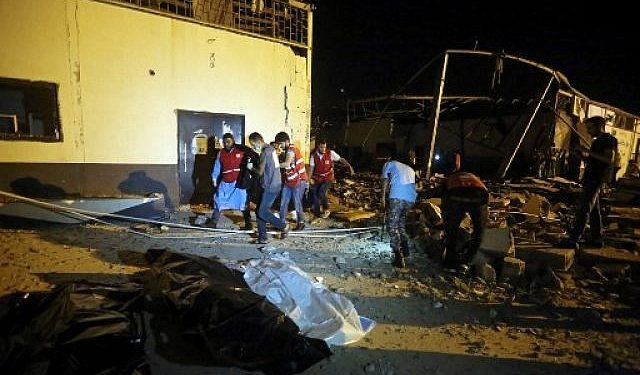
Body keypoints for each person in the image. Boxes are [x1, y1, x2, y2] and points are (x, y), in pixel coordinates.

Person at [559, 115, 618, 250]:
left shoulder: (609, 140)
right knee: (594, 211)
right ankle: (597, 239)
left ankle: (573, 239)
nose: (589, 131)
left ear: (600, 126)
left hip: (596, 178)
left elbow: (609, 159)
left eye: (590, 128)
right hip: (590, 177)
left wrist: (586, 151)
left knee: (584, 209)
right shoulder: (596, 142)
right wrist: (580, 155)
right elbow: (593, 161)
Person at [439, 151, 489, 271]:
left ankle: (449, 262)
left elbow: (444, 198)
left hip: (455, 196)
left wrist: (447, 220)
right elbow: (486, 198)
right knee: (479, 232)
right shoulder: (474, 178)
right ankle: (466, 262)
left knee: (451, 231)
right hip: (480, 196)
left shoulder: (450, 178)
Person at [248, 132, 290, 243]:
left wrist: (251, 168)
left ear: (258, 141)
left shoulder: (265, 152)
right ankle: (263, 238)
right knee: (259, 211)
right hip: (274, 184)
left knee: (262, 212)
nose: (252, 147)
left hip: (270, 186)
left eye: (253, 144)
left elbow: (260, 172)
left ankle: (283, 226)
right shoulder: (271, 149)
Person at [381, 151, 417, 268]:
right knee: (401, 224)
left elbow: (385, 180)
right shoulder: (410, 168)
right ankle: (406, 251)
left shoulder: (389, 164)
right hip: (410, 199)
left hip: (397, 196)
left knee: (392, 226)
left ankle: (398, 256)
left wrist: (382, 197)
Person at [208, 133, 251, 229]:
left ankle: (248, 223)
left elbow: (250, 162)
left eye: (228, 141)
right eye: (224, 142)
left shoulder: (241, 151)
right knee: (218, 199)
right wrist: (214, 178)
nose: (226, 144)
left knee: (242, 202)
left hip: (238, 183)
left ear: (233, 141)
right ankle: (213, 222)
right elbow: (217, 166)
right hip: (226, 182)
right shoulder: (221, 153)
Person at [309, 139, 355, 218]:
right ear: (318, 147)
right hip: (317, 177)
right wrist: (308, 179)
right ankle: (317, 213)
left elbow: (341, 159)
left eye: (325, 147)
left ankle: (326, 209)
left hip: (328, 177)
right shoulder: (313, 156)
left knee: (321, 192)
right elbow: (311, 168)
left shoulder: (330, 153)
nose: (323, 149)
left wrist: (349, 167)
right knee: (315, 194)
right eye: (321, 147)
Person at [275, 131, 307, 230]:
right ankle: (282, 223)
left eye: (280, 144)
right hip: (289, 180)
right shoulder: (287, 150)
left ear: (287, 141)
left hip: (299, 180)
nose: (279, 146)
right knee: (283, 202)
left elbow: (287, 163)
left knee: (296, 202)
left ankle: (301, 222)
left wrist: (273, 165)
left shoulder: (291, 150)